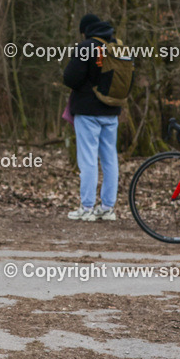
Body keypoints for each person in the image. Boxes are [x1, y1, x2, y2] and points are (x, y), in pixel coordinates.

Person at [63, 13, 121, 221]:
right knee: (110, 159)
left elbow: (70, 78)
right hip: (112, 111)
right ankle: (107, 207)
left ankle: (86, 207)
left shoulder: (86, 47)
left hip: (87, 111)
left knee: (87, 159)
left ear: (86, 30)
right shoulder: (117, 46)